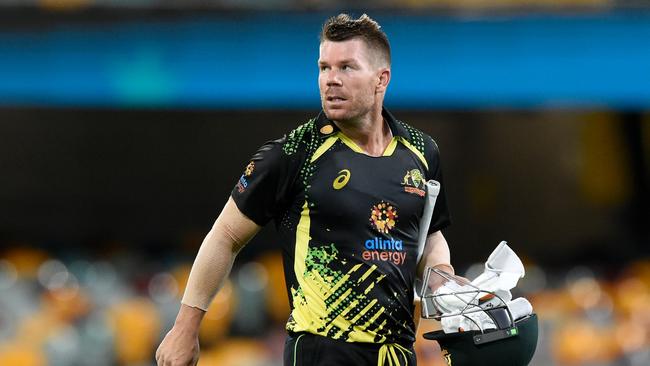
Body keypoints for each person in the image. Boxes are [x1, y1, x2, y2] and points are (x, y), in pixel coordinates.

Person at [155, 13, 454, 366]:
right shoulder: (294, 153)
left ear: (381, 79)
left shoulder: (421, 151)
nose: (331, 80)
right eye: (324, 67)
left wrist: (443, 279)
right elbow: (225, 236)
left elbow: (427, 235)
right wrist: (185, 329)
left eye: (346, 68)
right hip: (321, 351)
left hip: (397, 353)